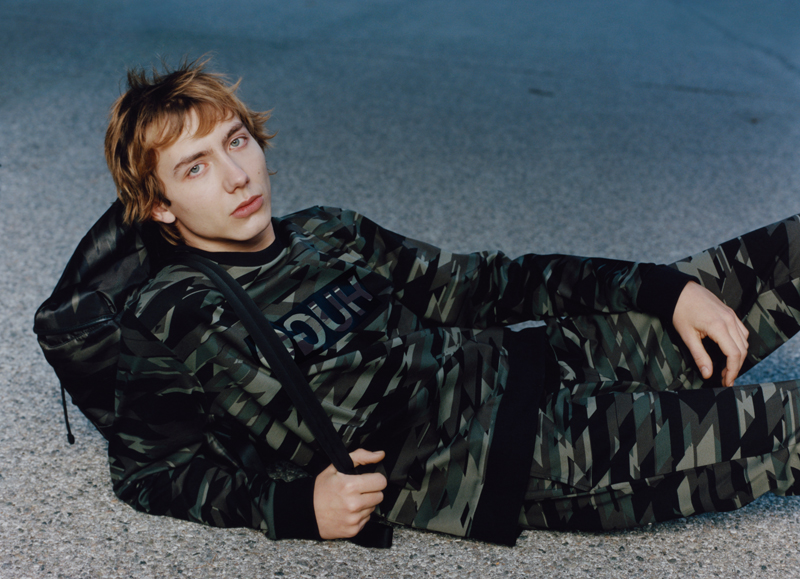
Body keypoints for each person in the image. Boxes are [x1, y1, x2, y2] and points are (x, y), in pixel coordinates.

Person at [103, 57, 800, 545]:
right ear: (160, 205)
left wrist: (664, 289)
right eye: (196, 167)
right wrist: (293, 506)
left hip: (542, 356)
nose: (236, 175)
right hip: (529, 456)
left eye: (236, 141)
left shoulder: (326, 231)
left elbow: (486, 283)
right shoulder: (173, 312)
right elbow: (150, 472)